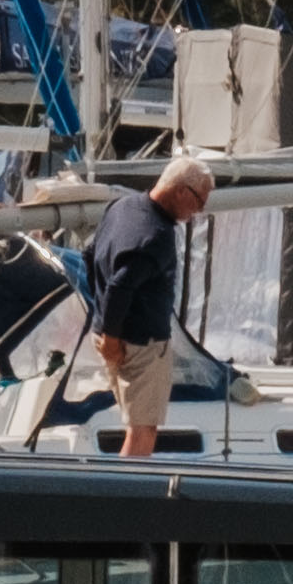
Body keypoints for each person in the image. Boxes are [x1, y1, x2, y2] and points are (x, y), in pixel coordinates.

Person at [94, 151, 216, 452]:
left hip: (115, 336)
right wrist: (112, 337)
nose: (198, 211)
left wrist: (102, 325)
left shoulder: (122, 206)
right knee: (143, 431)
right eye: (199, 201)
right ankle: (128, 496)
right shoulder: (156, 235)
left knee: (136, 426)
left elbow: (91, 255)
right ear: (180, 191)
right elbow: (121, 285)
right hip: (140, 345)